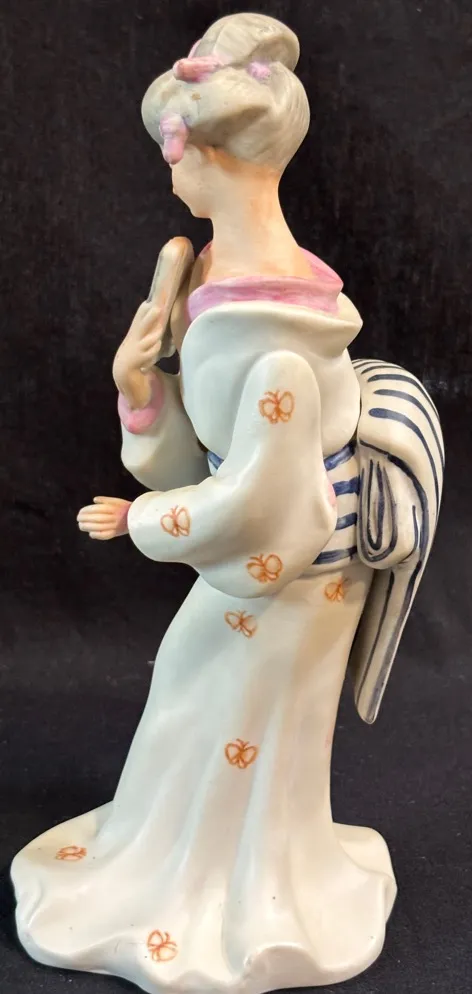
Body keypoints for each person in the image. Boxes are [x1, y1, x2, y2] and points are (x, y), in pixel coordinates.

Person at [12, 13, 442, 992]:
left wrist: (142, 520)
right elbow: (197, 460)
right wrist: (139, 390)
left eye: (172, 153)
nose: (168, 175)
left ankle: (241, 898)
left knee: (235, 725)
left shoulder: (276, 331)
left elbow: (264, 509)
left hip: (288, 580)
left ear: (206, 158)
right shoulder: (215, 280)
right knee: (191, 704)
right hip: (260, 570)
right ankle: (185, 867)